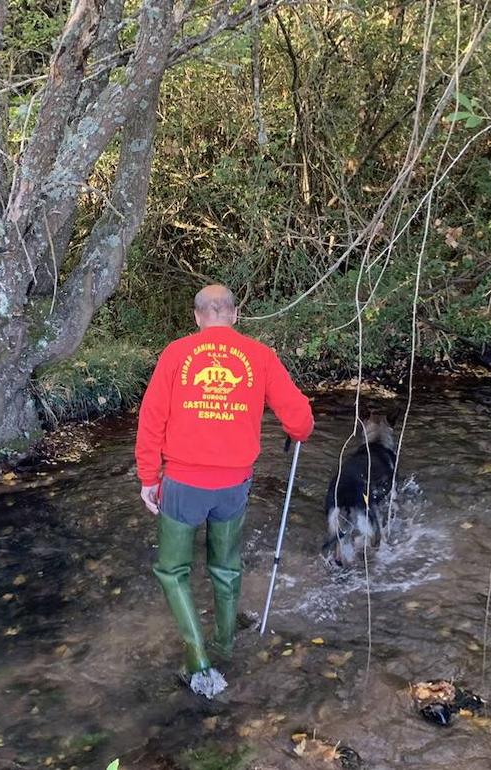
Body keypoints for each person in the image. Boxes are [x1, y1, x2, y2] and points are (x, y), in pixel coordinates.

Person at [135, 284, 314, 698]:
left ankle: (198, 659)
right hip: (234, 485)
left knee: (172, 571)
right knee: (226, 567)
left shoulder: (176, 354)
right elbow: (300, 419)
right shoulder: (260, 356)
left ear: (198, 317)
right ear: (234, 315)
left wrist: (149, 476)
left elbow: (151, 418)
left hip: (182, 485)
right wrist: (299, 431)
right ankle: (226, 642)